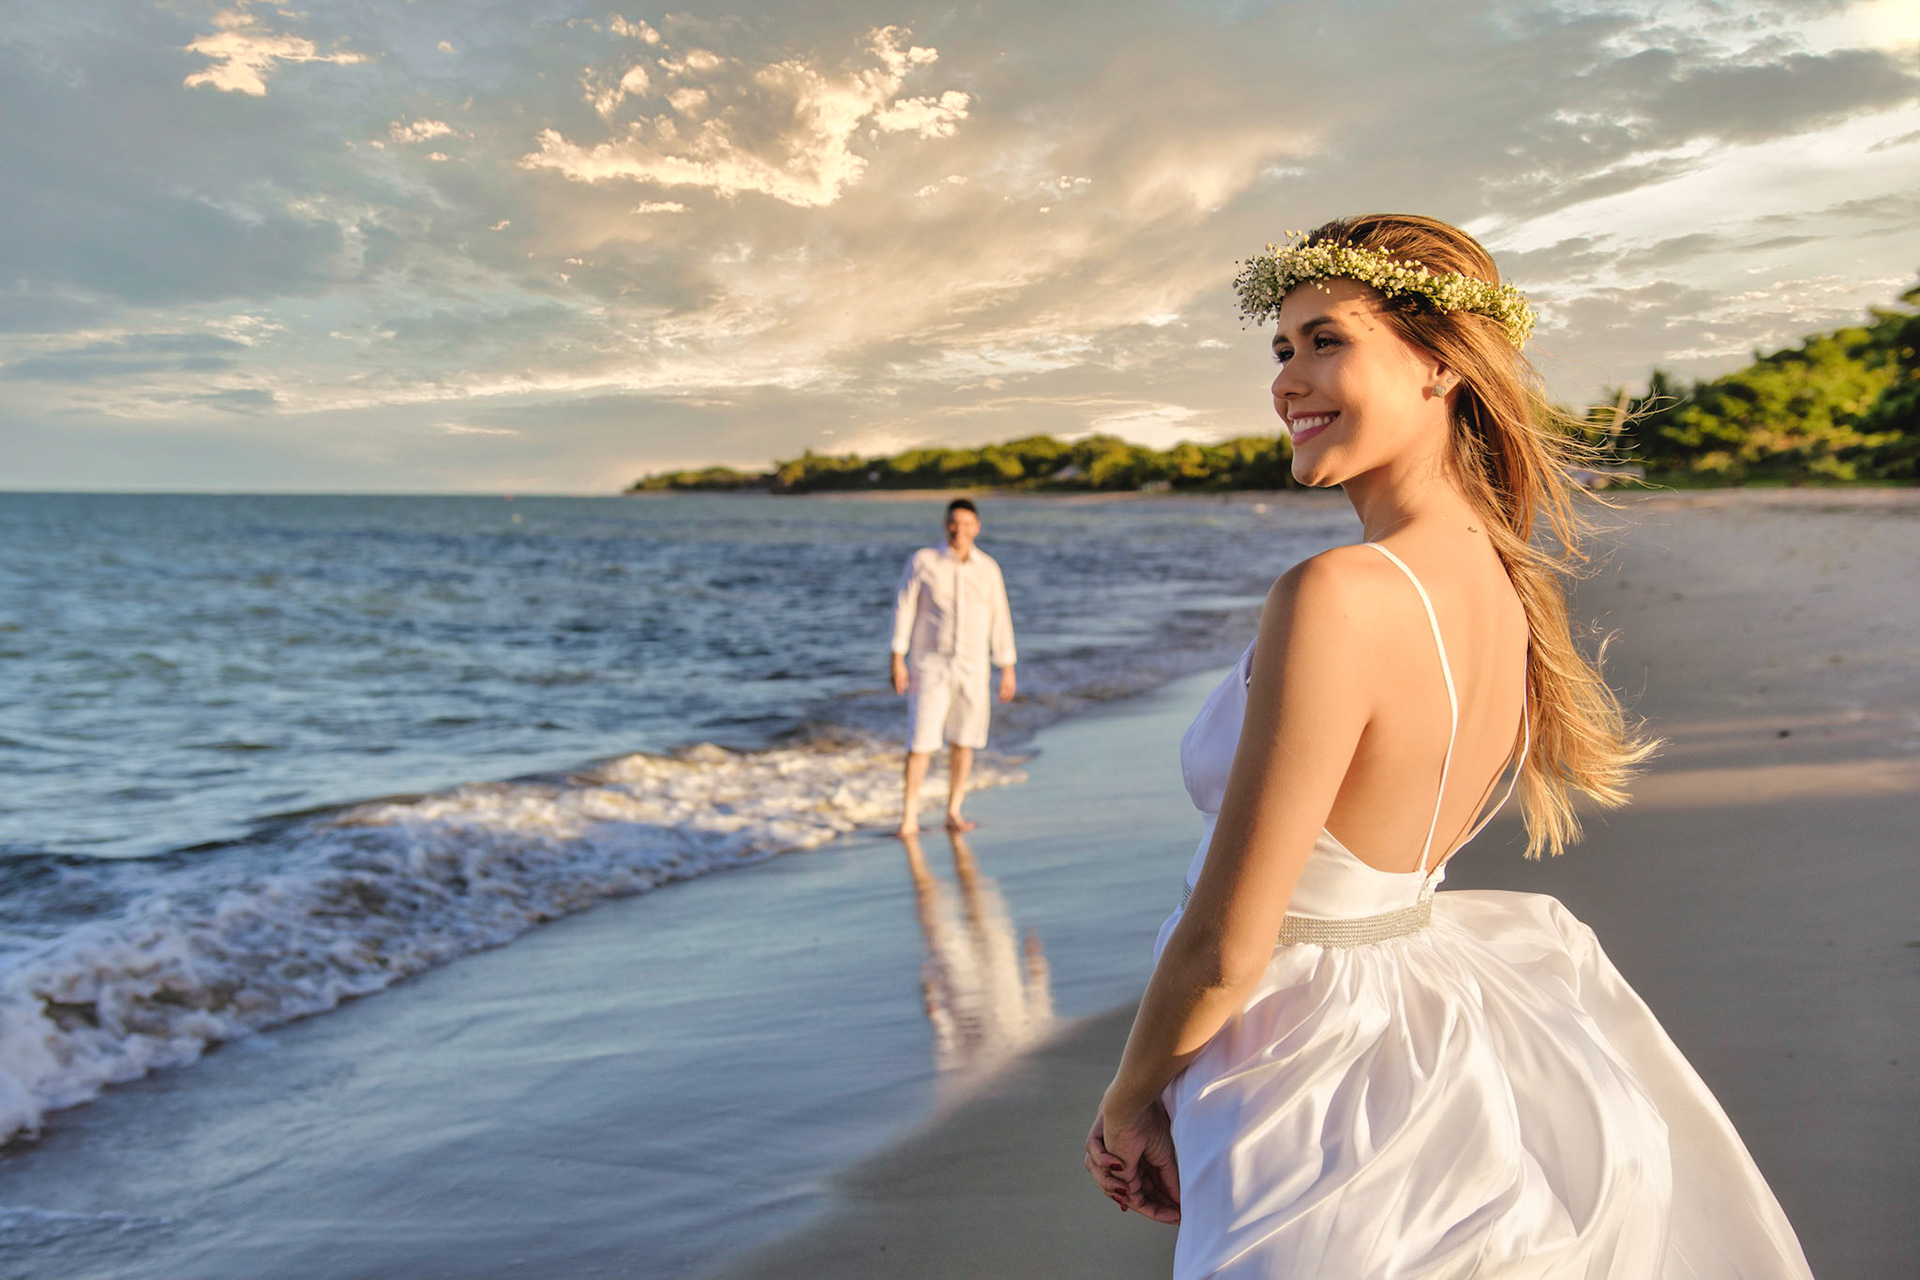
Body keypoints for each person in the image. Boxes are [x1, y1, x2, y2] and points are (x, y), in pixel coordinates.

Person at [1083, 215, 1812, 1277]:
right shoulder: (1504, 585)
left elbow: (1227, 944)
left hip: (1306, 1066)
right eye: (1282, 349)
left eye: (1327, 340)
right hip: (1422, 1022)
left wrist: (1128, 1099)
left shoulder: (1338, 593)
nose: (1288, 380)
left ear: (1440, 364)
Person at [889, 498, 1017, 836]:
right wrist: (897, 657)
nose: (959, 530)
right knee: (920, 742)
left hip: (974, 667)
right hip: (930, 665)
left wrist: (1007, 666)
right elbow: (904, 608)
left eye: (966, 524)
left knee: (965, 740)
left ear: (977, 527)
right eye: (953, 523)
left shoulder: (988, 568)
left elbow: (1000, 618)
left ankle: (953, 810)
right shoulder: (923, 561)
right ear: (945, 525)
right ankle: (909, 817)